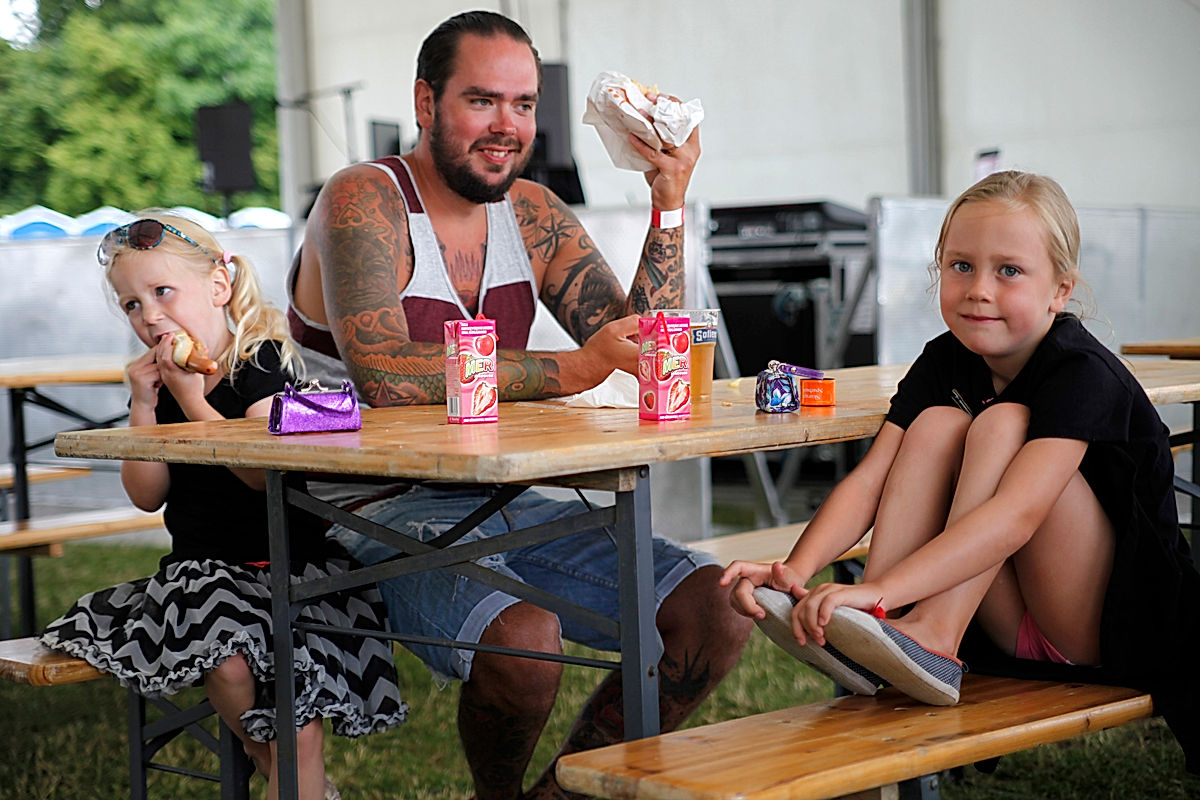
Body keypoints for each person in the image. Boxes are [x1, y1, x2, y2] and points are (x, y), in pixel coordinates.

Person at [288, 10, 751, 799]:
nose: (507, 127)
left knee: (716, 610)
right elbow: (387, 376)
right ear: (426, 103)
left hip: (498, 492)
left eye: (525, 104)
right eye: (483, 101)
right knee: (525, 645)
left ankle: (561, 796)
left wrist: (668, 198)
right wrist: (570, 371)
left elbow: (647, 349)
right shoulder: (364, 197)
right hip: (367, 508)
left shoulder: (531, 212)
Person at [722, 171, 1200, 771]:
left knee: (1001, 424)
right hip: (1006, 616)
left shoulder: (1081, 372)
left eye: (1009, 271)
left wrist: (873, 588)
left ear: (1061, 290)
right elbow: (872, 480)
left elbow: (1017, 516)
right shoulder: (944, 359)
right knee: (937, 425)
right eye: (961, 266)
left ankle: (927, 632)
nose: (979, 289)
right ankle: (890, 632)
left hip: (1106, 628)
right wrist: (795, 568)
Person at [40, 212, 409, 800]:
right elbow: (146, 495)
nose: (150, 314)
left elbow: (262, 476)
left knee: (298, 712)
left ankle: (289, 774)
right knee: (228, 659)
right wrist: (143, 405)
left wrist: (194, 404)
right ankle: (273, 768)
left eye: (162, 292)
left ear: (218, 286)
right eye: (131, 304)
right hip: (204, 575)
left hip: (294, 572)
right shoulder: (161, 387)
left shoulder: (262, 366)